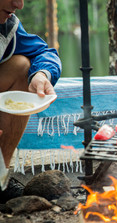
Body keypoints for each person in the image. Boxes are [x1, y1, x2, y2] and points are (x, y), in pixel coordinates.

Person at [0, 0, 62, 201]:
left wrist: (42, 74)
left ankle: (0, 178)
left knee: (22, 65)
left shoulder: (8, 26)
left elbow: (44, 52)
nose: (19, 4)